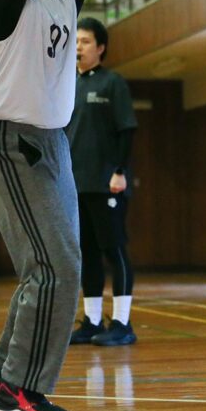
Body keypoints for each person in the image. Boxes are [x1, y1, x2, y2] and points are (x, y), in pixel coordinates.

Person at [0, 0, 195, 411]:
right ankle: (16, 387)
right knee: (60, 267)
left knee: (50, 266)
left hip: (51, 143)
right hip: (7, 141)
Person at [67, 17, 140, 346]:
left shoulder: (113, 83)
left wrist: (119, 171)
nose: (78, 47)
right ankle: (93, 321)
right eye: (76, 41)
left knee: (114, 249)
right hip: (76, 186)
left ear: (100, 47)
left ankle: (122, 323)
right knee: (87, 253)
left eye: (85, 41)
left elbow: (127, 130)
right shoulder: (67, 84)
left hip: (107, 183)